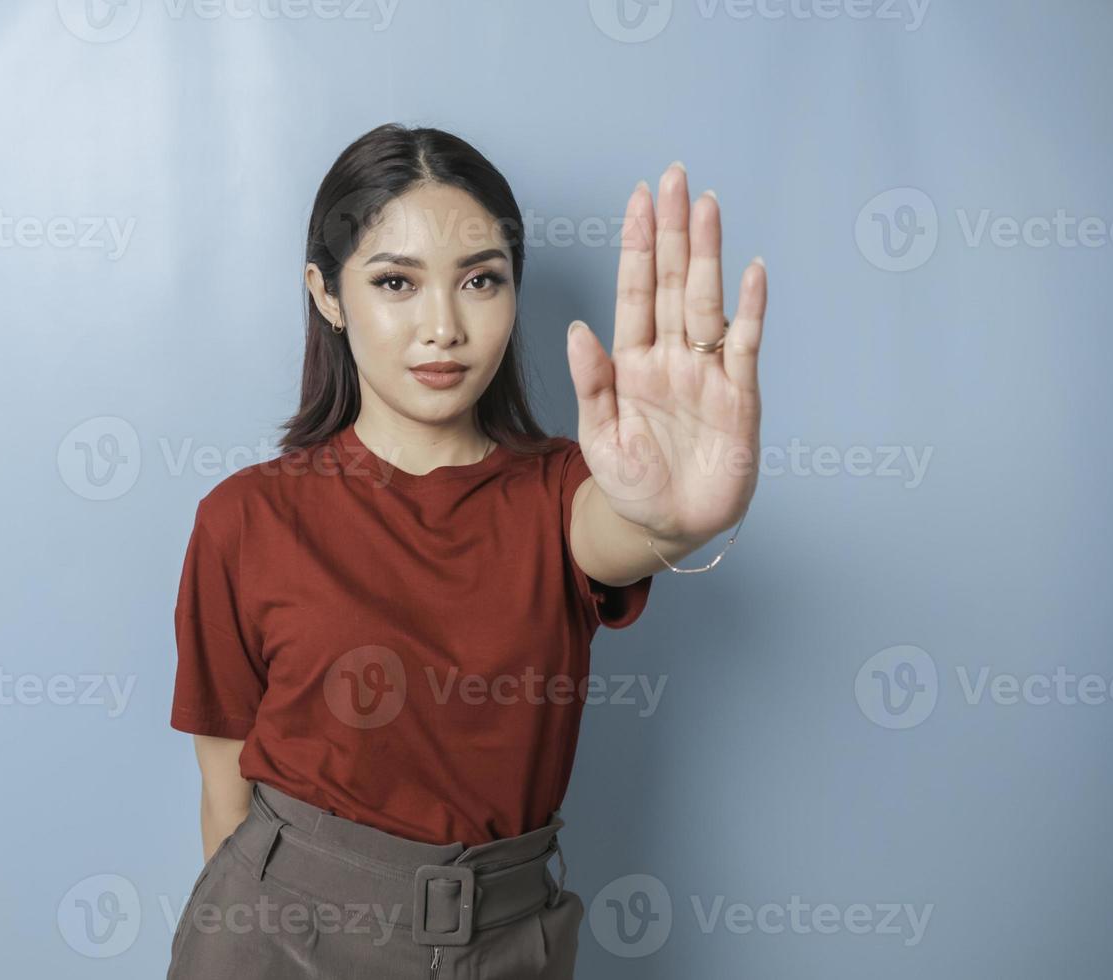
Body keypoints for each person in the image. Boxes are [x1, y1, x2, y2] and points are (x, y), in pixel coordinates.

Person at [166, 122, 767, 979]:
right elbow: (226, 796)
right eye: (395, 282)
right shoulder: (244, 519)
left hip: (506, 940)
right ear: (327, 294)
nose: (441, 327)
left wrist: (681, 515)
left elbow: (626, 529)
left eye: (480, 279)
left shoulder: (564, 493)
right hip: (278, 939)